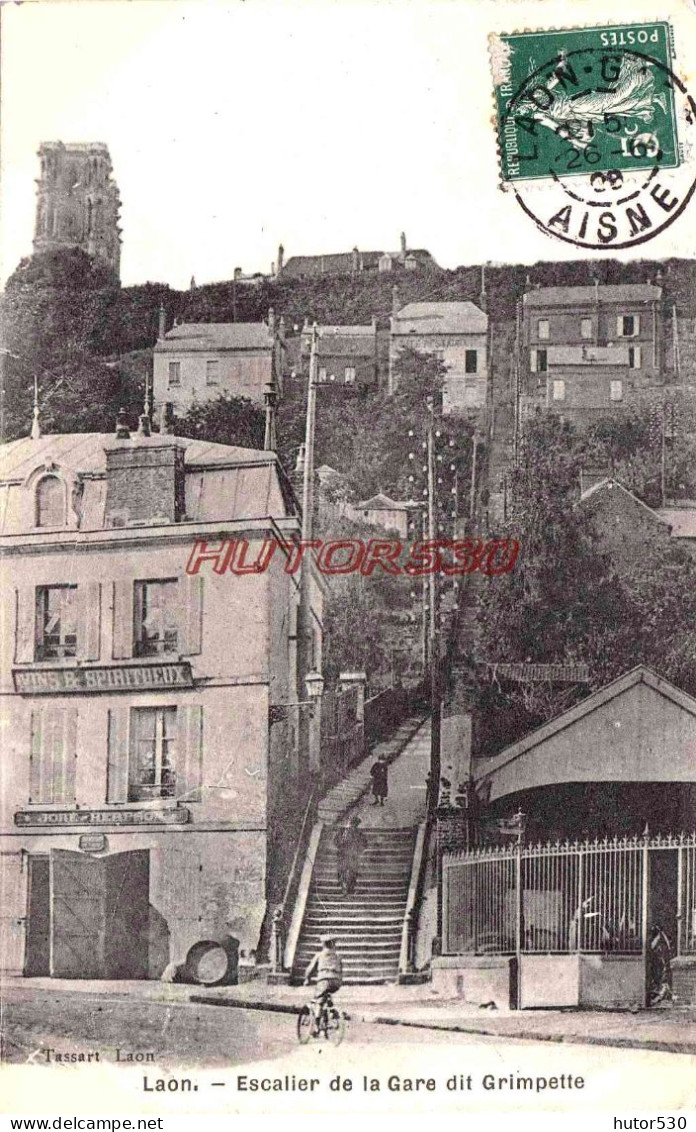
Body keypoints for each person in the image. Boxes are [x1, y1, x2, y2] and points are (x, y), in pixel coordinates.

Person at [304, 935, 343, 1026]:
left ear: (323, 944)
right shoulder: (338, 956)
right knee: (327, 996)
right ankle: (330, 1012)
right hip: (336, 982)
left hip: (324, 981)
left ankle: (317, 1025)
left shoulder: (320, 955)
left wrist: (307, 979)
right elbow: (341, 969)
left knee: (319, 1001)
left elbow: (310, 969)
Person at [334, 814, 366, 895]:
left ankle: (346, 889)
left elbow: (364, 843)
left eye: (353, 824)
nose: (352, 825)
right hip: (348, 855)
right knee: (347, 872)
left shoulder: (348, 832)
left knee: (348, 872)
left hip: (349, 856)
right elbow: (336, 841)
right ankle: (346, 889)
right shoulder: (346, 832)